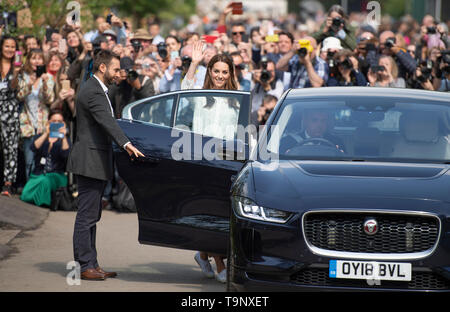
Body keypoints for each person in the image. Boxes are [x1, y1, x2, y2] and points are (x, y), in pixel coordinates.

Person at [67, 50, 144, 281]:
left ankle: (92, 263)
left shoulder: (98, 89)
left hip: (95, 160)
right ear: (102, 68)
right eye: (115, 68)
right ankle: (83, 266)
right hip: (90, 160)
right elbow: (107, 122)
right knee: (86, 216)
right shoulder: (93, 91)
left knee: (92, 215)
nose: (118, 73)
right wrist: (127, 144)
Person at [181, 41, 237, 283]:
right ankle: (220, 263)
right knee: (210, 213)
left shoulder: (237, 99)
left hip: (228, 162)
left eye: (225, 72)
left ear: (230, 74)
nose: (220, 76)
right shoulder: (200, 96)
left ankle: (203, 254)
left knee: (222, 215)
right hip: (202, 161)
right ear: (210, 72)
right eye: (216, 71)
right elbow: (185, 88)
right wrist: (194, 62)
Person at [20, 109, 70, 206]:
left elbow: (66, 155)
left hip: (56, 175)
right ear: (48, 122)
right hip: (39, 174)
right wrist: (46, 133)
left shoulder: (65, 140)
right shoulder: (41, 136)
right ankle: (43, 198)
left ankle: (44, 202)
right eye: (53, 121)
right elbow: (33, 147)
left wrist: (63, 137)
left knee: (45, 181)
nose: (56, 124)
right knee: (25, 195)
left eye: (59, 122)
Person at [0, 35, 21, 196]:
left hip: (11, 111)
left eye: (12, 47)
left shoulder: (18, 67)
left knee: (10, 147)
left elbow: (18, 91)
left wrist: (17, 73)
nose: (9, 49)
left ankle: (8, 183)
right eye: (7, 46)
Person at [281, 109, 345, 154]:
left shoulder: (336, 142)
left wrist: (339, 155)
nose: (319, 125)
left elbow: (345, 164)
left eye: (323, 121)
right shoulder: (288, 142)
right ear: (305, 122)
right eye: (314, 120)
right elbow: (275, 161)